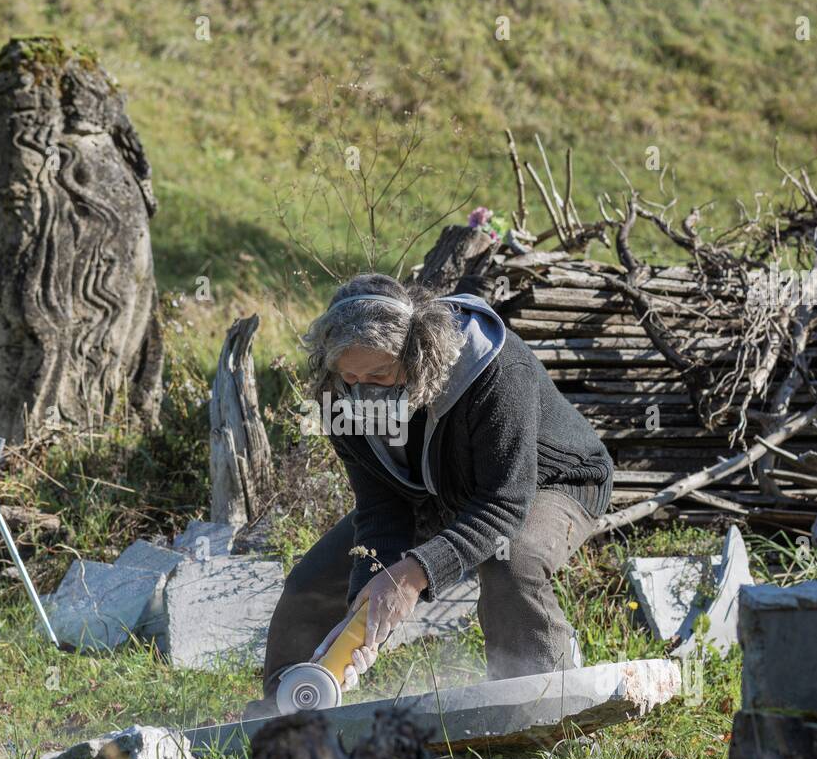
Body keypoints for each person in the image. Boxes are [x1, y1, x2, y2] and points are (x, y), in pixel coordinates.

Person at [249, 272, 613, 717]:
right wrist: (363, 616)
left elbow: (504, 503)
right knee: (312, 582)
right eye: (351, 376)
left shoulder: (494, 368)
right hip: (436, 490)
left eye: (380, 375)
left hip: (551, 480)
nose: (364, 391)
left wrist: (411, 575)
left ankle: (546, 706)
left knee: (508, 560)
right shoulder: (338, 397)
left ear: (415, 354)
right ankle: (283, 715)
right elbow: (382, 506)